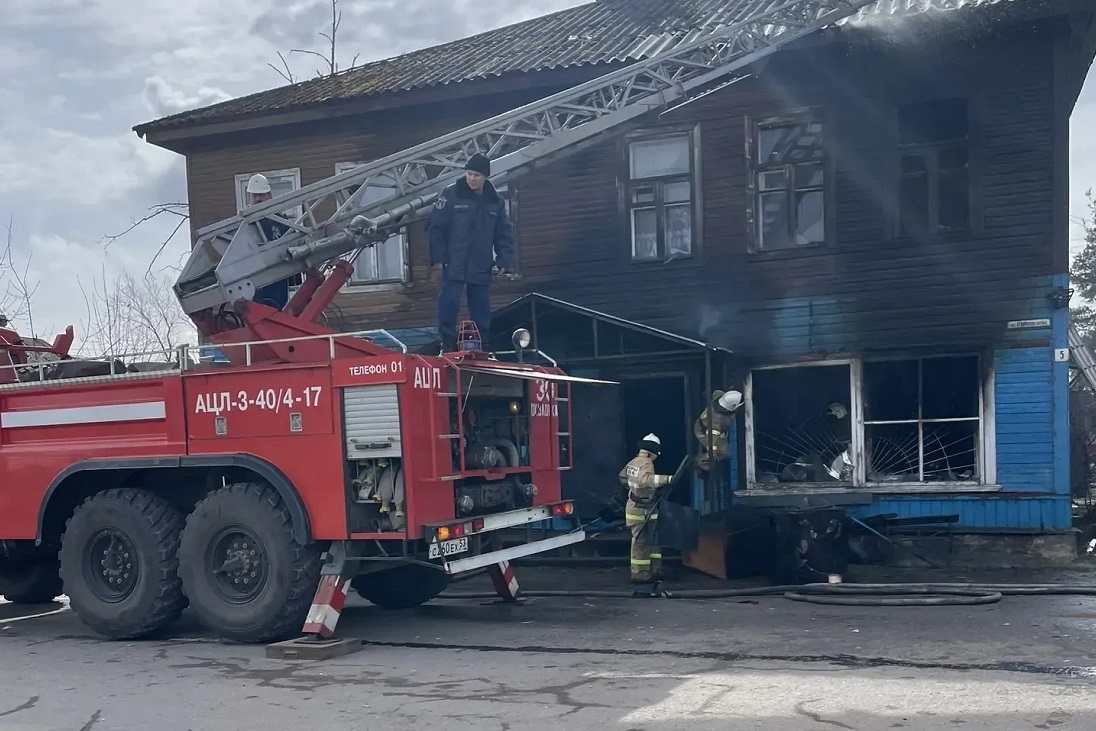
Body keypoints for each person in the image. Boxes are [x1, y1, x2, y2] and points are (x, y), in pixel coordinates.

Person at [428, 153, 515, 352]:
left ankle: (482, 343)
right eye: (469, 174)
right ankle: (447, 343)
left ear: (485, 176)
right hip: (454, 262)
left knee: (481, 307)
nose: (472, 179)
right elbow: (436, 228)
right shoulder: (451, 195)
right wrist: (438, 258)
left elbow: (504, 234)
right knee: (448, 303)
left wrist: (504, 260)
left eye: (476, 175)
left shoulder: (495, 201)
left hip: (481, 264)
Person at [618, 433, 676, 585]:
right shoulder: (646, 463)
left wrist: (634, 490)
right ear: (654, 452)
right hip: (641, 510)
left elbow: (622, 477)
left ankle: (654, 570)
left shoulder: (633, 462)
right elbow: (645, 480)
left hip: (641, 506)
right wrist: (667, 479)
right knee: (642, 541)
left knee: (652, 539)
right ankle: (640, 574)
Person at [244, 173, 292, 311]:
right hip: (257, 279)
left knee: (278, 309)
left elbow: (294, 240)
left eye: (261, 195)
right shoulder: (245, 223)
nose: (258, 199)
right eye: (255, 195)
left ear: (269, 195)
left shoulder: (280, 219)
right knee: (260, 312)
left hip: (279, 275)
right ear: (250, 197)